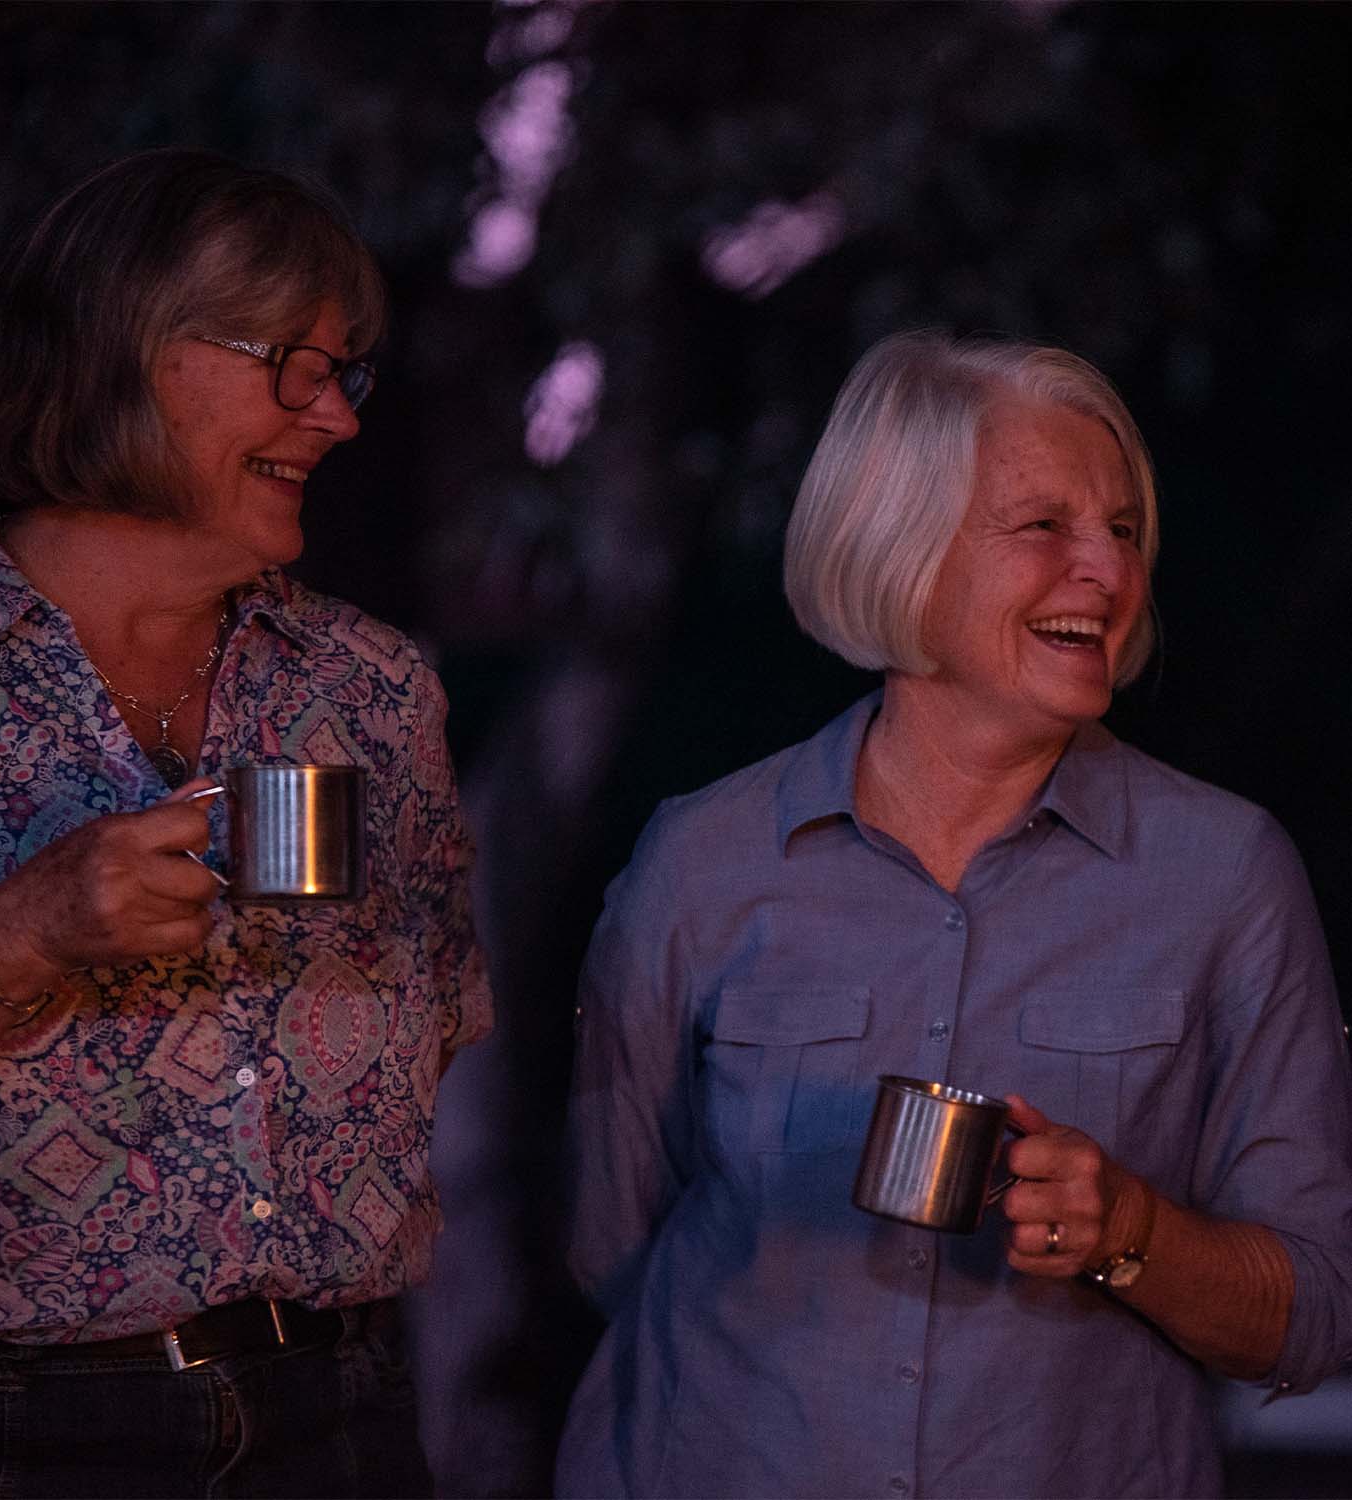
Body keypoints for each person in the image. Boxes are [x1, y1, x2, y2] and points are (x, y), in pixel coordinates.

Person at [555, 332, 1352, 1499]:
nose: (1110, 573)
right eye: (1046, 526)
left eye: (1124, 531)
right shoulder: (704, 860)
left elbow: (1319, 1310)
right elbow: (608, 1241)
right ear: (901, 545)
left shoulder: (1223, 874)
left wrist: (1132, 1231)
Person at [0, 148, 491, 1499]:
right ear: (124, 354)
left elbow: (428, 1052)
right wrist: (21, 936)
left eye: (347, 374)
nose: (337, 418)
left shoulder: (371, 693)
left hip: (338, 1418)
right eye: (294, 367)